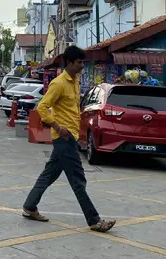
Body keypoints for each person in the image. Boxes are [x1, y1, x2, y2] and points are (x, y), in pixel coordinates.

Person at [22, 45, 116, 233]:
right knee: (78, 180)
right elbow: (42, 107)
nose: (82, 65)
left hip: (70, 136)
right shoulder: (58, 83)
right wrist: (57, 126)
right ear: (70, 62)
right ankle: (94, 221)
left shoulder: (75, 81)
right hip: (63, 138)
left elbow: (72, 110)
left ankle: (29, 206)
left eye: (83, 62)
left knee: (49, 174)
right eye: (79, 62)